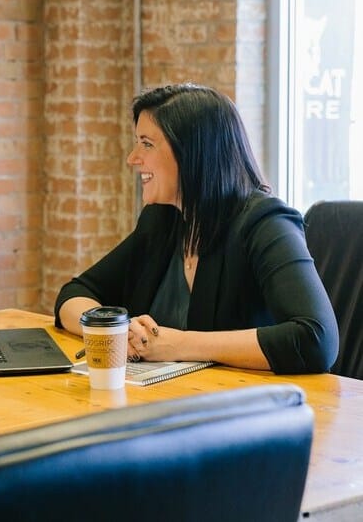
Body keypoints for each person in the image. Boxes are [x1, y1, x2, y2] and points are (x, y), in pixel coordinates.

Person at [54, 83, 339, 374]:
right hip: (175, 401)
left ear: (192, 153)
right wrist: (114, 332)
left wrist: (177, 345)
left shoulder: (266, 223)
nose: (132, 158)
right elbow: (76, 292)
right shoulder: (162, 220)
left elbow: (316, 340)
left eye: (147, 144)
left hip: (246, 407)